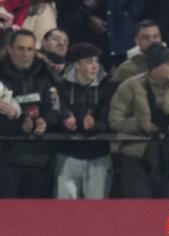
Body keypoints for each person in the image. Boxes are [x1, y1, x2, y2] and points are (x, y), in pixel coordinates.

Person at [109, 43, 169, 198]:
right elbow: (115, 118)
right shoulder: (131, 86)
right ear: (155, 67)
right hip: (137, 158)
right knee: (138, 211)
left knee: (167, 212)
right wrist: (139, 125)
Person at [0, 29, 61, 198]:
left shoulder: (46, 75)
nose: (25, 54)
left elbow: (55, 109)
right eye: (20, 48)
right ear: (10, 49)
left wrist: (45, 121)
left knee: (35, 219)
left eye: (30, 49)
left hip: (38, 159)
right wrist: (18, 122)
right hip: (5, 159)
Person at [55, 42, 115, 199]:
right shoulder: (61, 85)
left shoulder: (107, 86)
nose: (95, 66)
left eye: (96, 61)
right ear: (76, 65)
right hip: (68, 154)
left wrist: (94, 125)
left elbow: (109, 119)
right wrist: (65, 118)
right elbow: (57, 112)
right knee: (65, 209)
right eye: (89, 62)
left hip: (99, 154)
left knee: (96, 211)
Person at [113, 20, 169, 84]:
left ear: (161, 37)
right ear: (137, 41)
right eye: (146, 38)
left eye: (155, 36)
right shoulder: (125, 69)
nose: (152, 41)